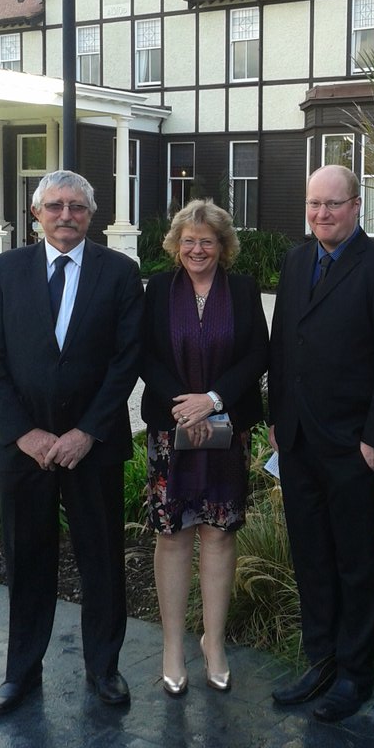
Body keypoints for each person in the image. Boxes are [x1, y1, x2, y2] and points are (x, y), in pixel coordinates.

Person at [0, 170, 143, 715]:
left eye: (77, 207)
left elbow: (127, 361)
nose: (66, 215)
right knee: (26, 559)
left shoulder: (120, 273)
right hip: (24, 449)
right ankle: (21, 672)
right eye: (55, 206)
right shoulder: (3, 272)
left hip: (94, 446)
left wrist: (86, 431)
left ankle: (104, 667)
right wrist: (24, 432)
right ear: (35, 213)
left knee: (103, 560)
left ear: (91, 215)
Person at [268, 165, 374, 723]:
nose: (321, 213)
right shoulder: (296, 260)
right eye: (314, 204)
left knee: (354, 559)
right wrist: (277, 420)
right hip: (297, 439)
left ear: (356, 206)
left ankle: (355, 672)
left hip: (352, 445)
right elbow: (283, 345)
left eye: (332, 204)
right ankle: (321, 660)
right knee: (310, 555)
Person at [140, 199, 268, 697]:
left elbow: (258, 352)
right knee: (172, 536)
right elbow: (144, 354)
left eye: (207, 241)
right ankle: (173, 647)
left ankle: (214, 643)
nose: (197, 249)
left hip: (227, 429)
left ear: (223, 245)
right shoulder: (157, 290)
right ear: (176, 245)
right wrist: (184, 405)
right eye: (189, 241)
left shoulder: (243, 289)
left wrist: (212, 400)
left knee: (218, 534)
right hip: (170, 430)